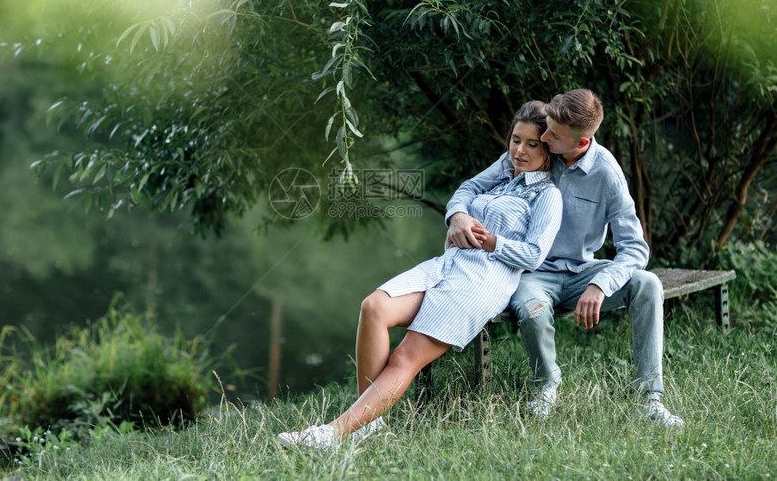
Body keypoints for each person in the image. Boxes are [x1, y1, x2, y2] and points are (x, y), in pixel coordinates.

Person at [277, 101, 563, 449]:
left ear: (547, 149)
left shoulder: (547, 195)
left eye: (532, 144)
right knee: (374, 307)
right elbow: (466, 190)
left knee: (405, 357)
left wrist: (491, 242)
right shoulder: (505, 168)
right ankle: (369, 422)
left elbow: (534, 254)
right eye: (516, 139)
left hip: (483, 282)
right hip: (447, 264)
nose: (520, 150)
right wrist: (457, 216)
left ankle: (332, 434)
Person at [447, 89, 683, 426]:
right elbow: (470, 187)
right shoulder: (534, 153)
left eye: (553, 135)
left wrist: (601, 284)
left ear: (581, 142)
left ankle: (650, 400)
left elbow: (635, 248)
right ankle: (546, 387)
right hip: (531, 271)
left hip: (582, 271)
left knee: (647, 283)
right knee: (532, 310)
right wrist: (457, 216)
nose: (542, 137)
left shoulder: (607, 174)